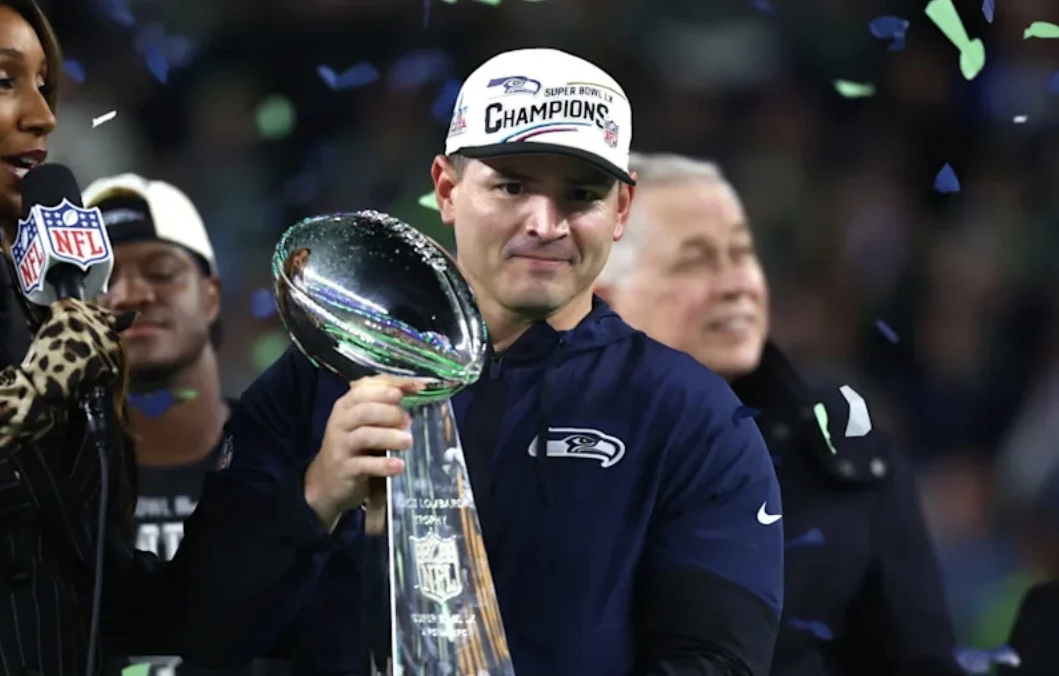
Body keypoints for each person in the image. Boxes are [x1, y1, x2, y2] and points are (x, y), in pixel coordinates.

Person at [197, 49, 784, 675]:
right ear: (447, 190)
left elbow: (720, 662)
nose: (546, 224)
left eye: (581, 195)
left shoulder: (690, 415)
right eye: (512, 186)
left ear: (621, 210)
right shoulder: (324, 375)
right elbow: (200, 630)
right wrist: (314, 498)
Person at [0, 2, 316, 672]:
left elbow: (110, 604)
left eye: (44, 86)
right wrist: (15, 411)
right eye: (2, 81)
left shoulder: (39, 312)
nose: (42, 115)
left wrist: (310, 498)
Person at [595, 152, 962, 676]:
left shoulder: (845, 459)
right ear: (605, 300)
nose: (737, 285)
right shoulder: (522, 442)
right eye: (694, 262)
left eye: (742, 255)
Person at [84, 174, 289, 676]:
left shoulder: (286, 463)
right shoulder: (51, 480)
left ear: (211, 297)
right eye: (103, 280)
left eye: (161, 272)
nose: (130, 295)